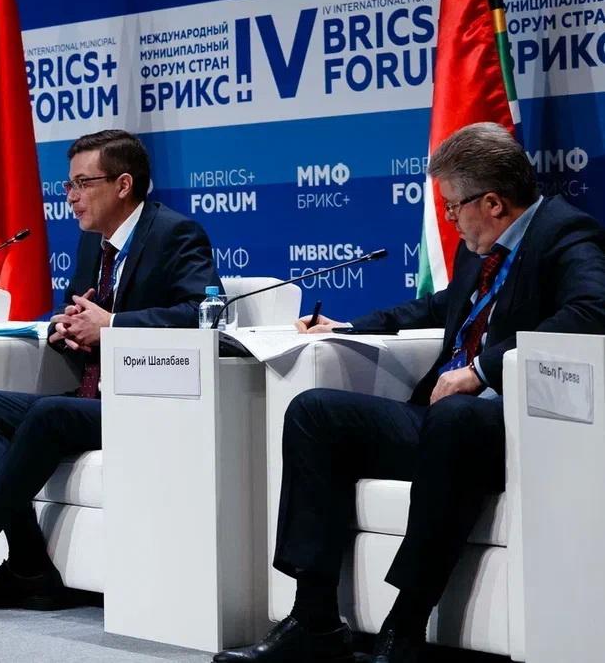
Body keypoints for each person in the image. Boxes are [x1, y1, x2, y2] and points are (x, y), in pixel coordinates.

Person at [213, 122, 605, 663]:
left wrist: (483, 370)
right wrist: (350, 327)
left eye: (453, 206)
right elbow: (440, 307)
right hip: (442, 422)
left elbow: (590, 312)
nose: (449, 219)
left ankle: (405, 626)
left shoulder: (566, 234)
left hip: (512, 427)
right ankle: (314, 620)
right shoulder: (480, 248)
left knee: (457, 416)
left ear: (492, 203)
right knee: (314, 412)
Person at [0, 129, 221, 624]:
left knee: (49, 414)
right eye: (68, 185)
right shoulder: (92, 245)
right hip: (92, 392)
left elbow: (202, 313)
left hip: (146, 399)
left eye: (83, 183)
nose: (71, 197)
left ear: (123, 184)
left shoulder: (175, 233)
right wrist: (68, 329)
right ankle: (29, 565)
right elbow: (80, 314)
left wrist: (114, 325)